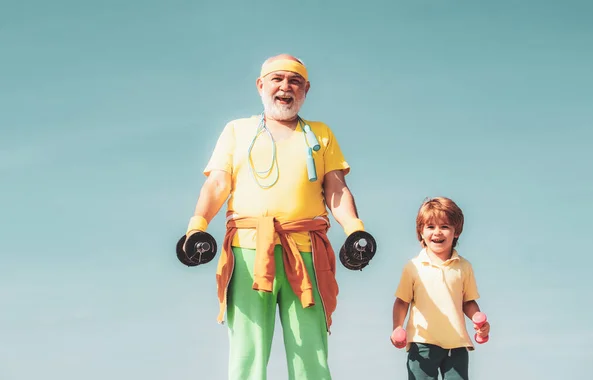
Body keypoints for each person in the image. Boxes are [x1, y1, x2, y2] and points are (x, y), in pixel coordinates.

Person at [183, 54, 371, 380]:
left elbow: (336, 188)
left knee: (309, 351)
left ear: (306, 89)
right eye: (277, 79)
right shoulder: (236, 131)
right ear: (261, 85)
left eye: (294, 81)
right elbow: (217, 184)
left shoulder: (320, 134)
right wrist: (196, 225)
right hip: (248, 252)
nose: (285, 87)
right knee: (248, 350)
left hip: (307, 252)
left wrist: (355, 230)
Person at [390, 197, 490, 380]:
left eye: (444, 226)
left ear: (456, 231)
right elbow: (402, 301)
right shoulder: (413, 267)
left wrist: (478, 321)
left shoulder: (464, 267)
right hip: (422, 343)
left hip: (456, 344)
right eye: (430, 227)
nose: (437, 232)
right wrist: (397, 328)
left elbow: (468, 301)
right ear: (421, 231)